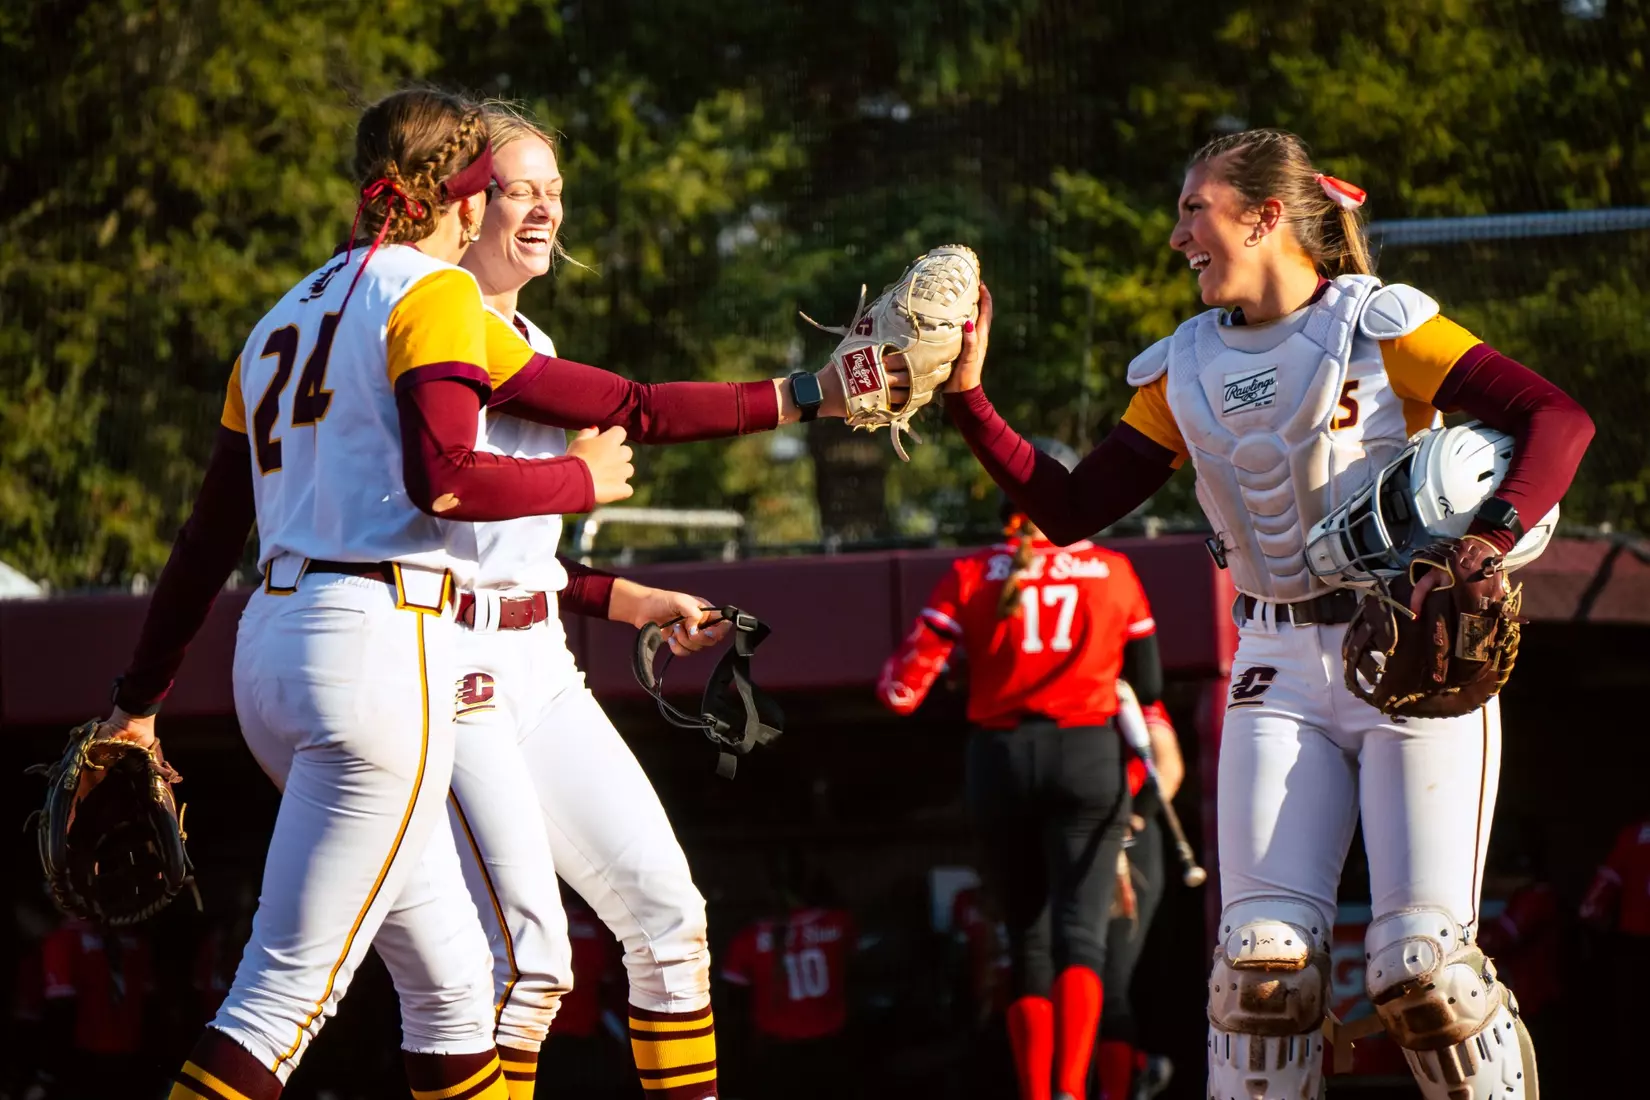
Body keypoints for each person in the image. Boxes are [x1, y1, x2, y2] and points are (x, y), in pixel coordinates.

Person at [943, 127, 1594, 1099]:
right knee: (1258, 971)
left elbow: (1560, 417)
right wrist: (968, 398)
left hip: (1404, 648)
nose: (1177, 236)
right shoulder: (1183, 366)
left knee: (1423, 968)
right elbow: (1072, 509)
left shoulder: (1383, 326)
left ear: (1265, 215)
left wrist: (1489, 541)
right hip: (1273, 659)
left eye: (1192, 209)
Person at [97, 87, 636, 1100]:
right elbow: (450, 478)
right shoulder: (435, 293)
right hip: (377, 647)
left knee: (455, 988)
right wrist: (581, 477)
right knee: (278, 998)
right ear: (467, 201)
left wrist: (137, 699)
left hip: (272, 643)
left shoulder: (278, 315)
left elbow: (209, 534)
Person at [427, 101, 902, 1100]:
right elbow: (634, 409)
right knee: (519, 974)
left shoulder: (523, 327)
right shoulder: (432, 317)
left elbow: (506, 547)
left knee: (668, 918)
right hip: (440, 666)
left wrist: (624, 596)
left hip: (535, 661)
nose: (547, 208)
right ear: (462, 199)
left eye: (557, 190)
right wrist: (808, 390)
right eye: (523, 188)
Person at [878, 469, 1164, 1100]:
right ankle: (1072, 1088)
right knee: (1081, 937)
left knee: (1026, 939)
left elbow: (899, 691)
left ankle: (1040, 1095)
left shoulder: (973, 572)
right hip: (1089, 755)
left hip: (1000, 757)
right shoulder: (1116, 571)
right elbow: (1148, 691)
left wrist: (961, 670)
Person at [1091, 689, 1181, 1100]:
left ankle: (1121, 1084)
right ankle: (1136, 1069)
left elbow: (1169, 766)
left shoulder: (1127, 694)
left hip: (1126, 845)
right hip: (1069, 844)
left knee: (1112, 980)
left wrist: (1137, 819)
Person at [719, 857, 859, 1100]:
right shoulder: (839, 923)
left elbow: (733, 1001)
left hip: (777, 1056)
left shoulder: (748, 939)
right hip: (830, 1052)